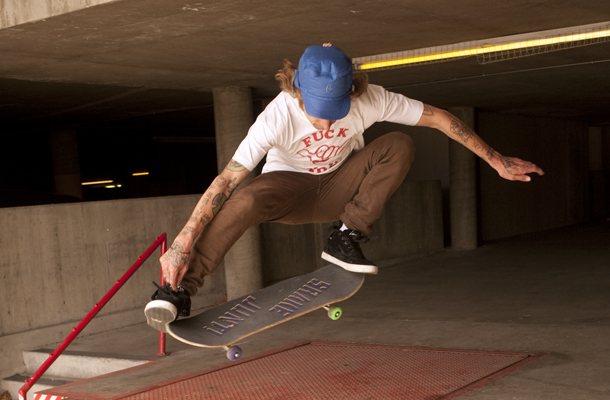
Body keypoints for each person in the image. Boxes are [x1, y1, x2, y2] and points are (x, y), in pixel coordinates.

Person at [145, 43, 543, 330]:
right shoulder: (276, 115)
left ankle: (346, 235)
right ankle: (178, 291)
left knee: (400, 143)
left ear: (351, 89)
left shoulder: (369, 98)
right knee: (246, 196)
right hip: (287, 190)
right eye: (316, 115)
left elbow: (439, 117)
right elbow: (227, 178)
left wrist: (496, 159)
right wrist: (181, 243)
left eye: (334, 114)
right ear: (295, 89)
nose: (327, 125)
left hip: (341, 187)